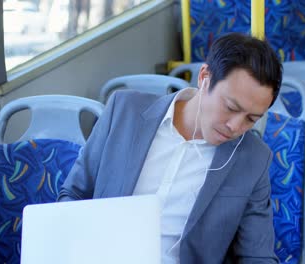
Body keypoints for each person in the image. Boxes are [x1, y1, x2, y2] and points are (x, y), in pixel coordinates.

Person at [58, 32, 283, 263]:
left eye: (251, 119)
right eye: (231, 107)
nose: (235, 126)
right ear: (204, 77)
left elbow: (257, 256)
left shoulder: (253, 159)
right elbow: (74, 193)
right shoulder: (124, 111)